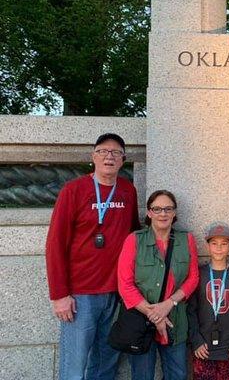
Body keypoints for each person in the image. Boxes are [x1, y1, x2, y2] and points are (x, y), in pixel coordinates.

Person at [45, 133, 140, 380]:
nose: (109, 156)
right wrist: (59, 295)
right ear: (93, 156)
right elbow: (55, 244)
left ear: (123, 160)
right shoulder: (73, 190)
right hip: (80, 294)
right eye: (103, 151)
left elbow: (134, 236)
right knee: (74, 365)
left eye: (116, 152)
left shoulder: (128, 191)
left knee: (106, 362)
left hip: (116, 293)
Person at [117, 189, 199, 380]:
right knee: (142, 375)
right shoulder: (134, 240)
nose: (163, 214)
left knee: (177, 375)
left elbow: (193, 278)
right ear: (149, 213)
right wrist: (155, 315)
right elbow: (125, 285)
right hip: (141, 323)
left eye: (168, 209)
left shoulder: (186, 239)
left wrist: (168, 304)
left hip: (175, 322)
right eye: (157, 209)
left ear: (174, 213)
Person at [187, 223, 229, 380]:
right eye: (214, 243)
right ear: (207, 247)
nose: (219, 248)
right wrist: (196, 340)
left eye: (224, 244)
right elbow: (190, 311)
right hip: (203, 347)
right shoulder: (198, 274)